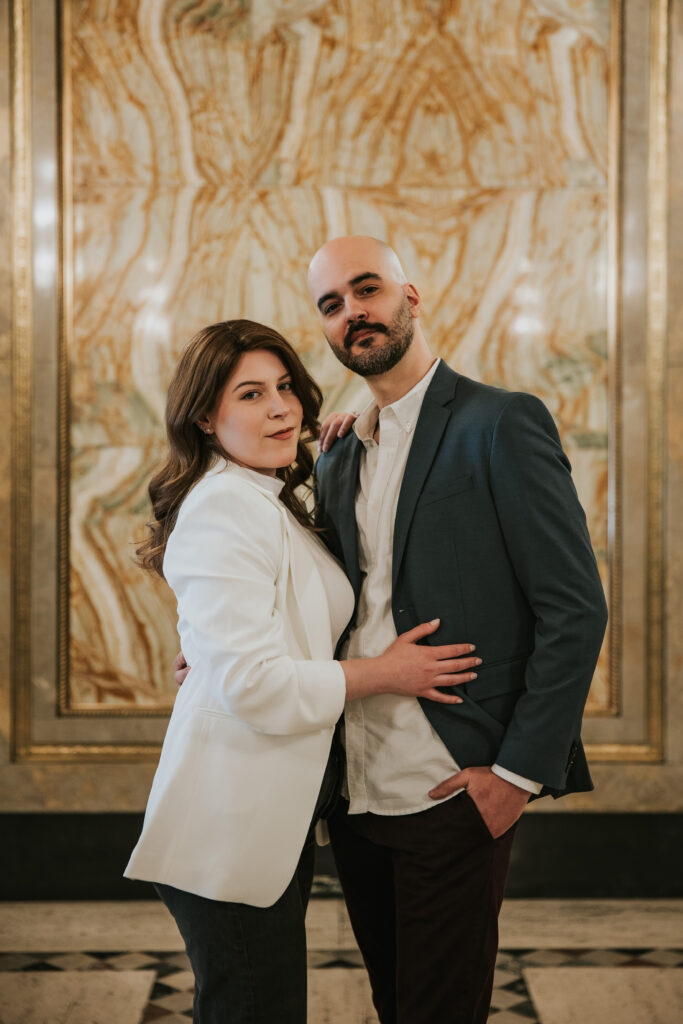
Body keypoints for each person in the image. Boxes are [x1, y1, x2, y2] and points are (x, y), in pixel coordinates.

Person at [125, 318, 482, 1024]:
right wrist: (385, 673)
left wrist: (345, 450)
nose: (282, 408)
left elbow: (257, 612)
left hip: (267, 819)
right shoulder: (227, 505)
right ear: (205, 416)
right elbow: (256, 686)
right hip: (228, 825)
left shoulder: (262, 497)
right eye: (251, 395)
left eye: (285, 387)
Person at [306, 236, 609, 1024]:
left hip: (451, 784)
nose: (352, 314)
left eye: (366, 290)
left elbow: (573, 607)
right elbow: (325, 600)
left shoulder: (500, 423)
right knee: (393, 1003)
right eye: (331, 305)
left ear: (412, 295)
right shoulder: (337, 454)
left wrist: (514, 777)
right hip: (354, 791)